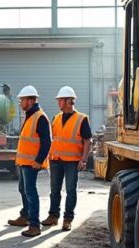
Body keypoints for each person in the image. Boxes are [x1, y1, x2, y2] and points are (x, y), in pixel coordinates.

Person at [42, 86, 92, 231]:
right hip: (56, 160)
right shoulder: (56, 118)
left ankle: (67, 219)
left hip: (72, 162)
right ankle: (53, 216)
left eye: (61, 100)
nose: (58, 102)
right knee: (54, 190)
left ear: (69, 101)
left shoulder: (82, 119)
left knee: (71, 190)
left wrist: (83, 160)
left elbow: (88, 140)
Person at [7, 85, 51, 237]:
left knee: (30, 192)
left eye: (22, 100)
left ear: (30, 100)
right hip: (24, 162)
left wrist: (39, 160)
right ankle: (25, 216)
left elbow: (47, 142)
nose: (20, 103)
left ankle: (34, 224)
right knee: (23, 189)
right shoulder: (30, 116)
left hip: (32, 163)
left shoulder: (40, 117)